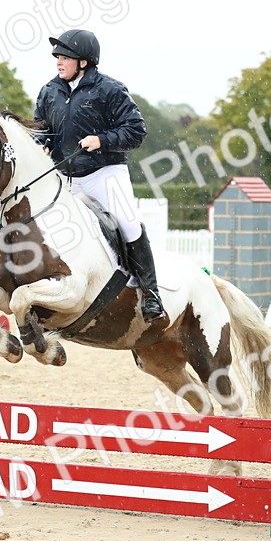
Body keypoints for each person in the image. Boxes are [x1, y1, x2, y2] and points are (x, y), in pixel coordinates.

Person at [34, 29, 166, 323]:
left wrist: (102, 140)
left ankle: (151, 294)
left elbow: (136, 130)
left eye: (64, 57)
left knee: (128, 223)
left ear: (83, 61)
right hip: (66, 177)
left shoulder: (110, 89)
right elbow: (42, 129)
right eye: (57, 56)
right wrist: (41, 144)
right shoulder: (49, 91)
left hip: (105, 173)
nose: (58, 61)